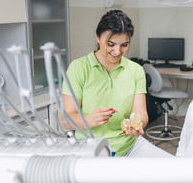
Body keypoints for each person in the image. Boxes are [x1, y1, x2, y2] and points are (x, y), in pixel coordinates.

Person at [62, 10, 172, 157]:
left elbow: (141, 112)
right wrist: (91, 119)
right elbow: (65, 121)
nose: (117, 51)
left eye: (124, 45)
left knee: (175, 170)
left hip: (130, 146)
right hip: (90, 149)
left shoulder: (135, 70)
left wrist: (138, 124)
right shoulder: (78, 68)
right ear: (97, 37)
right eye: (111, 44)